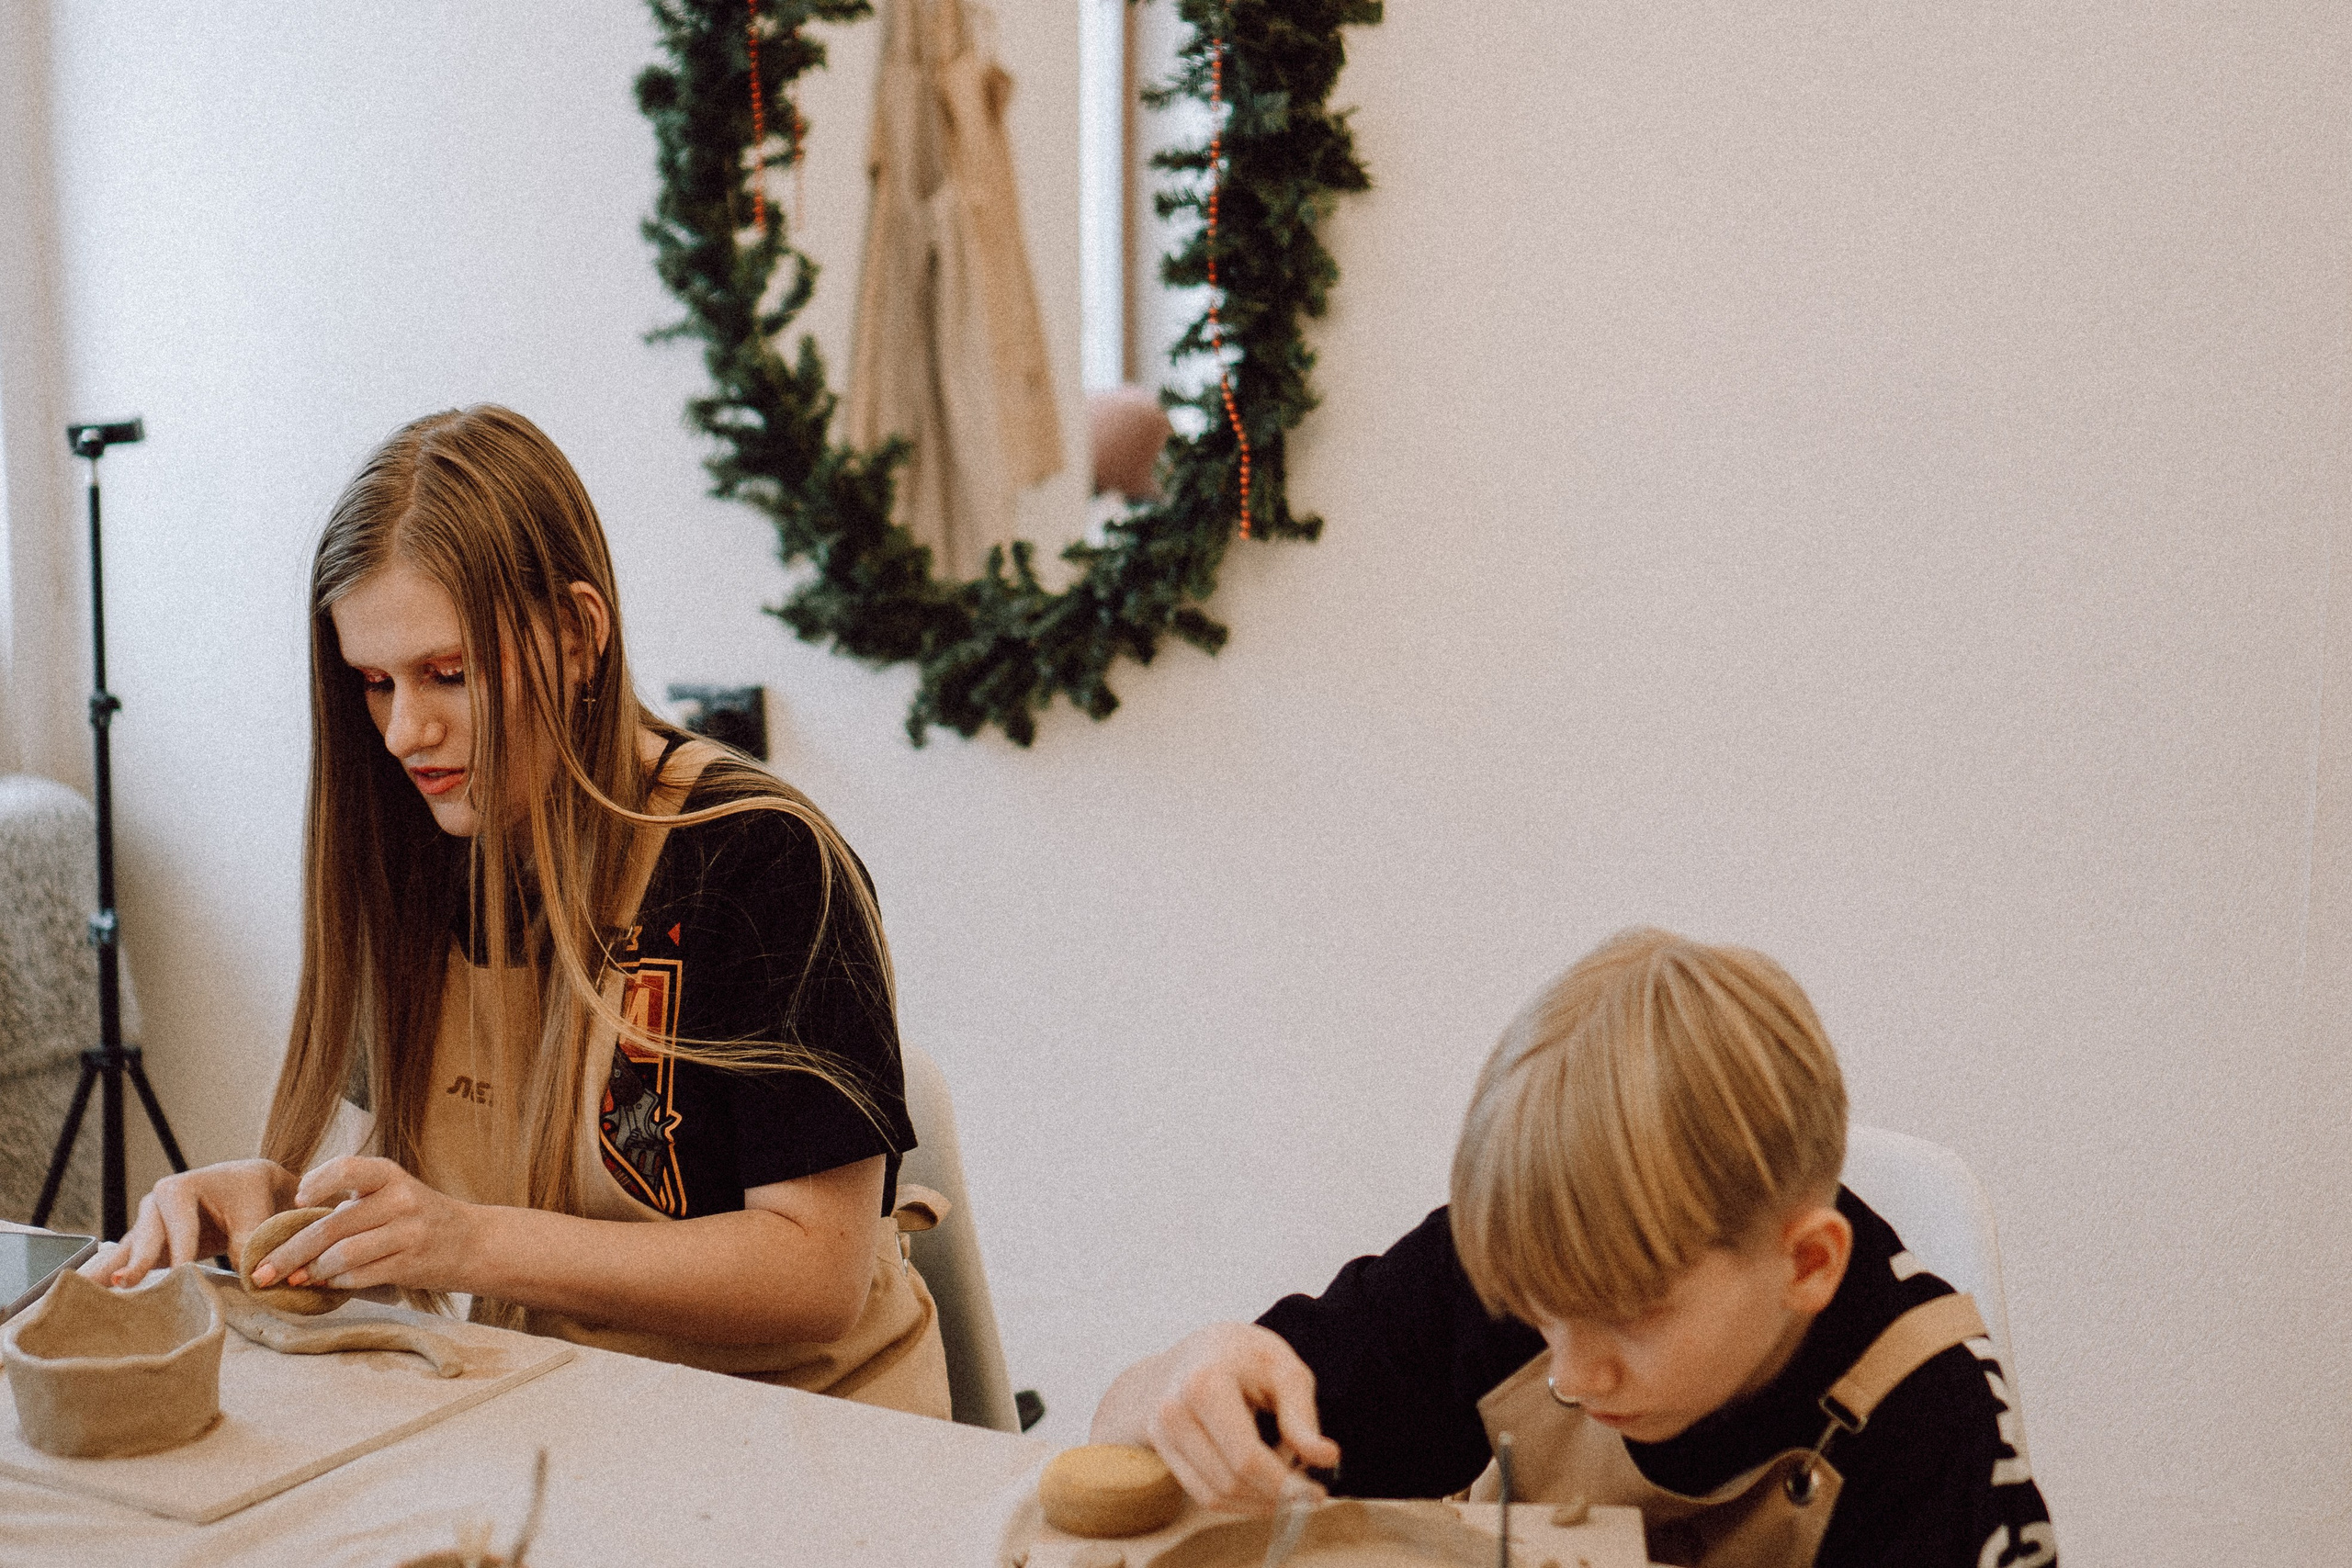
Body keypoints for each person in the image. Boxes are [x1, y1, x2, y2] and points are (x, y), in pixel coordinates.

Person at [86, 405, 951, 1416]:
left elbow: (816, 1278)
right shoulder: (420, 854)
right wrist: (283, 1209)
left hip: (812, 1434)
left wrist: (470, 1241)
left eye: (450, 675)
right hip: (572, 1409)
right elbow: (431, 1178)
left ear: (581, 633)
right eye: (374, 683)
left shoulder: (758, 858)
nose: (407, 731)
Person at [1091, 930, 2056, 1567]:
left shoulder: (1933, 1416)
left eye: (1629, 1315)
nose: (1570, 1372)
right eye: (1539, 1310)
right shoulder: (1507, 1280)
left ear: (1805, 1265)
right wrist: (1178, 1380)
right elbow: (1122, 1443)